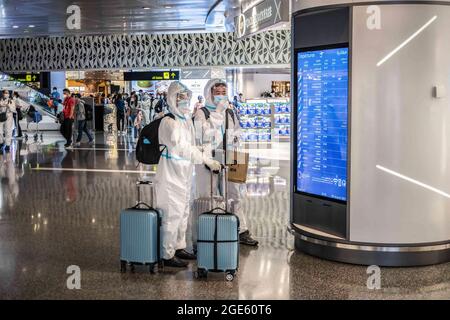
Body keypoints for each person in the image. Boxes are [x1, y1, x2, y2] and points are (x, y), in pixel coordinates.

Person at [155, 81, 221, 268]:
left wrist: (204, 149)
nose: (185, 101)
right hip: (170, 176)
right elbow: (181, 148)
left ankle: (179, 247)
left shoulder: (185, 120)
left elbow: (191, 145)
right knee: (172, 215)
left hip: (184, 175)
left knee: (183, 212)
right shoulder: (168, 121)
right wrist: (204, 159)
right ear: (172, 99)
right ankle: (166, 255)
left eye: (186, 97)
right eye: (180, 98)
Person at [193, 79, 258, 246]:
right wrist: (216, 114)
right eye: (217, 92)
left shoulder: (229, 112)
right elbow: (202, 137)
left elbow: (237, 131)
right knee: (209, 195)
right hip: (209, 160)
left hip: (230, 158)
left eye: (223, 92)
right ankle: (209, 230)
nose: (221, 96)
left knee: (235, 194)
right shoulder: (202, 113)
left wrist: (235, 139)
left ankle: (241, 229)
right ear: (209, 93)